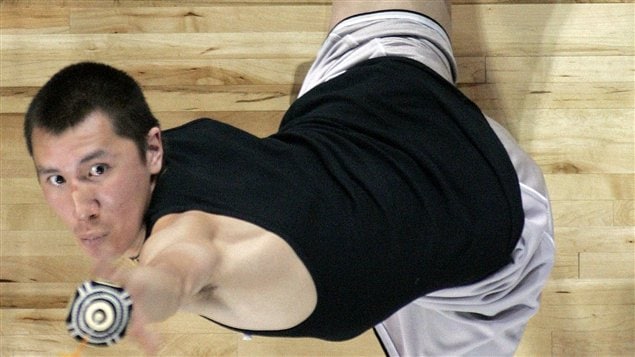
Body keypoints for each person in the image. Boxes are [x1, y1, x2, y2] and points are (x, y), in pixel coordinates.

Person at [24, 1, 555, 355]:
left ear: (151, 149)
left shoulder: (186, 243)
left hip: (490, 210)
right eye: (56, 179)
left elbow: (179, 269)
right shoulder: (157, 149)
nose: (82, 205)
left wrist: (134, 295)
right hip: (379, 96)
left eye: (96, 170)